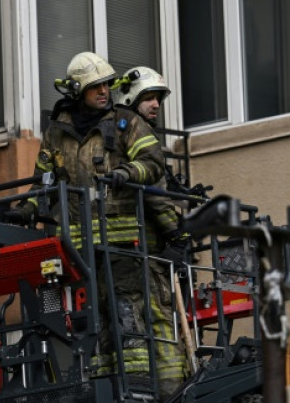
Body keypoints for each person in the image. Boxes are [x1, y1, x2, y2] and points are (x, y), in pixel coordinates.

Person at [5, 52, 173, 395]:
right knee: (95, 320)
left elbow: (152, 162)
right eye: (96, 86)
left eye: (107, 85)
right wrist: (26, 208)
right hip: (81, 248)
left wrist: (127, 173)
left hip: (123, 240)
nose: (104, 91)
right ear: (77, 90)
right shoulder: (56, 133)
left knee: (127, 311)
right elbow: (44, 182)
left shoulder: (125, 122)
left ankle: (137, 386)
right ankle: (104, 383)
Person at [112, 66, 191, 398]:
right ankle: (174, 389)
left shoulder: (111, 131)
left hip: (120, 247)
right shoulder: (137, 130)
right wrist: (178, 235)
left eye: (159, 98)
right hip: (144, 247)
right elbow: (155, 195)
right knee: (160, 318)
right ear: (132, 98)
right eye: (149, 98)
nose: (157, 104)